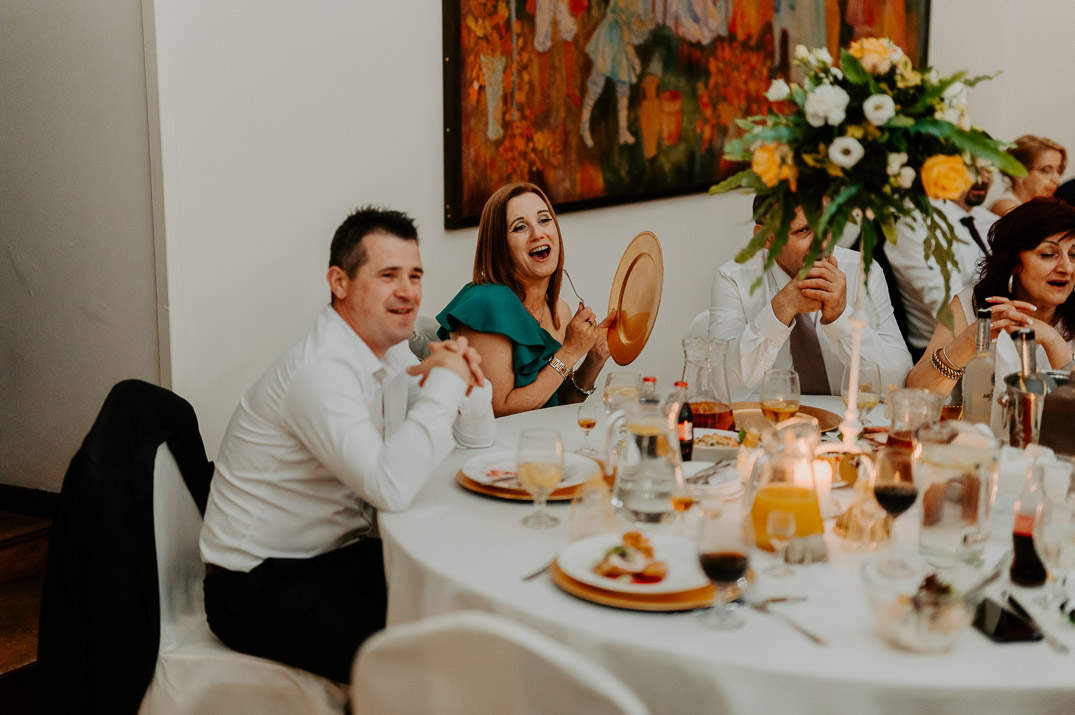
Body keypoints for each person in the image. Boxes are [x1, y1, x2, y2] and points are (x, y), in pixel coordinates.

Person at [199, 206, 495, 683]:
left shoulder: (389, 350)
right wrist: (445, 383)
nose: (408, 291)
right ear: (339, 282)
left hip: (336, 558)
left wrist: (466, 381)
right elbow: (390, 486)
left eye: (415, 275)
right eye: (388, 275)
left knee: (470, 598)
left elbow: (474, 438)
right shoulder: (320, 371)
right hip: (255, 583)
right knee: (410, 665)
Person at [709, 195, 913, 398]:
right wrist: (782, 308)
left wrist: (841, 317)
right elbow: (721, 388)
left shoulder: (862, 271)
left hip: (847, 417)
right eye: (803, 230)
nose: (823, 243)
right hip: (768, 417)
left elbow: (897, 383)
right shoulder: (733, 278)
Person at [437, 182, 613, 417]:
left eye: (544, 220)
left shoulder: (559, 311)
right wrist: (569, 352)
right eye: (520, 227)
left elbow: (557, 404)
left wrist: (594, 357)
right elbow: (497, 412)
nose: (537, 234)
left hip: (545, 437)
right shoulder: (487, 304)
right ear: (499, 245)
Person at [906, 198, 1075, 395]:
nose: (1066, 268)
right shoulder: (974, 304)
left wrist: (1054, 341)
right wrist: (969, 339)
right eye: (1048, 254)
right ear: (1014, 261)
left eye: (1074, 255)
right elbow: (917, 393)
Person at [885, 167, 997, 360]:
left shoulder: (988, 220)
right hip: (941, 353)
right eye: (973, 168)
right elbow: (946, 306)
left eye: (989, 169)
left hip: (996, 339)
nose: (983, 177)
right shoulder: (917, 223)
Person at [989, 135, 1067, 216]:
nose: (1056, 180)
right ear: (1018, 173)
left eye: (1059, 171)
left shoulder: (1039, 208)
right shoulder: (1006, 206)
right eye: (1045, 170)